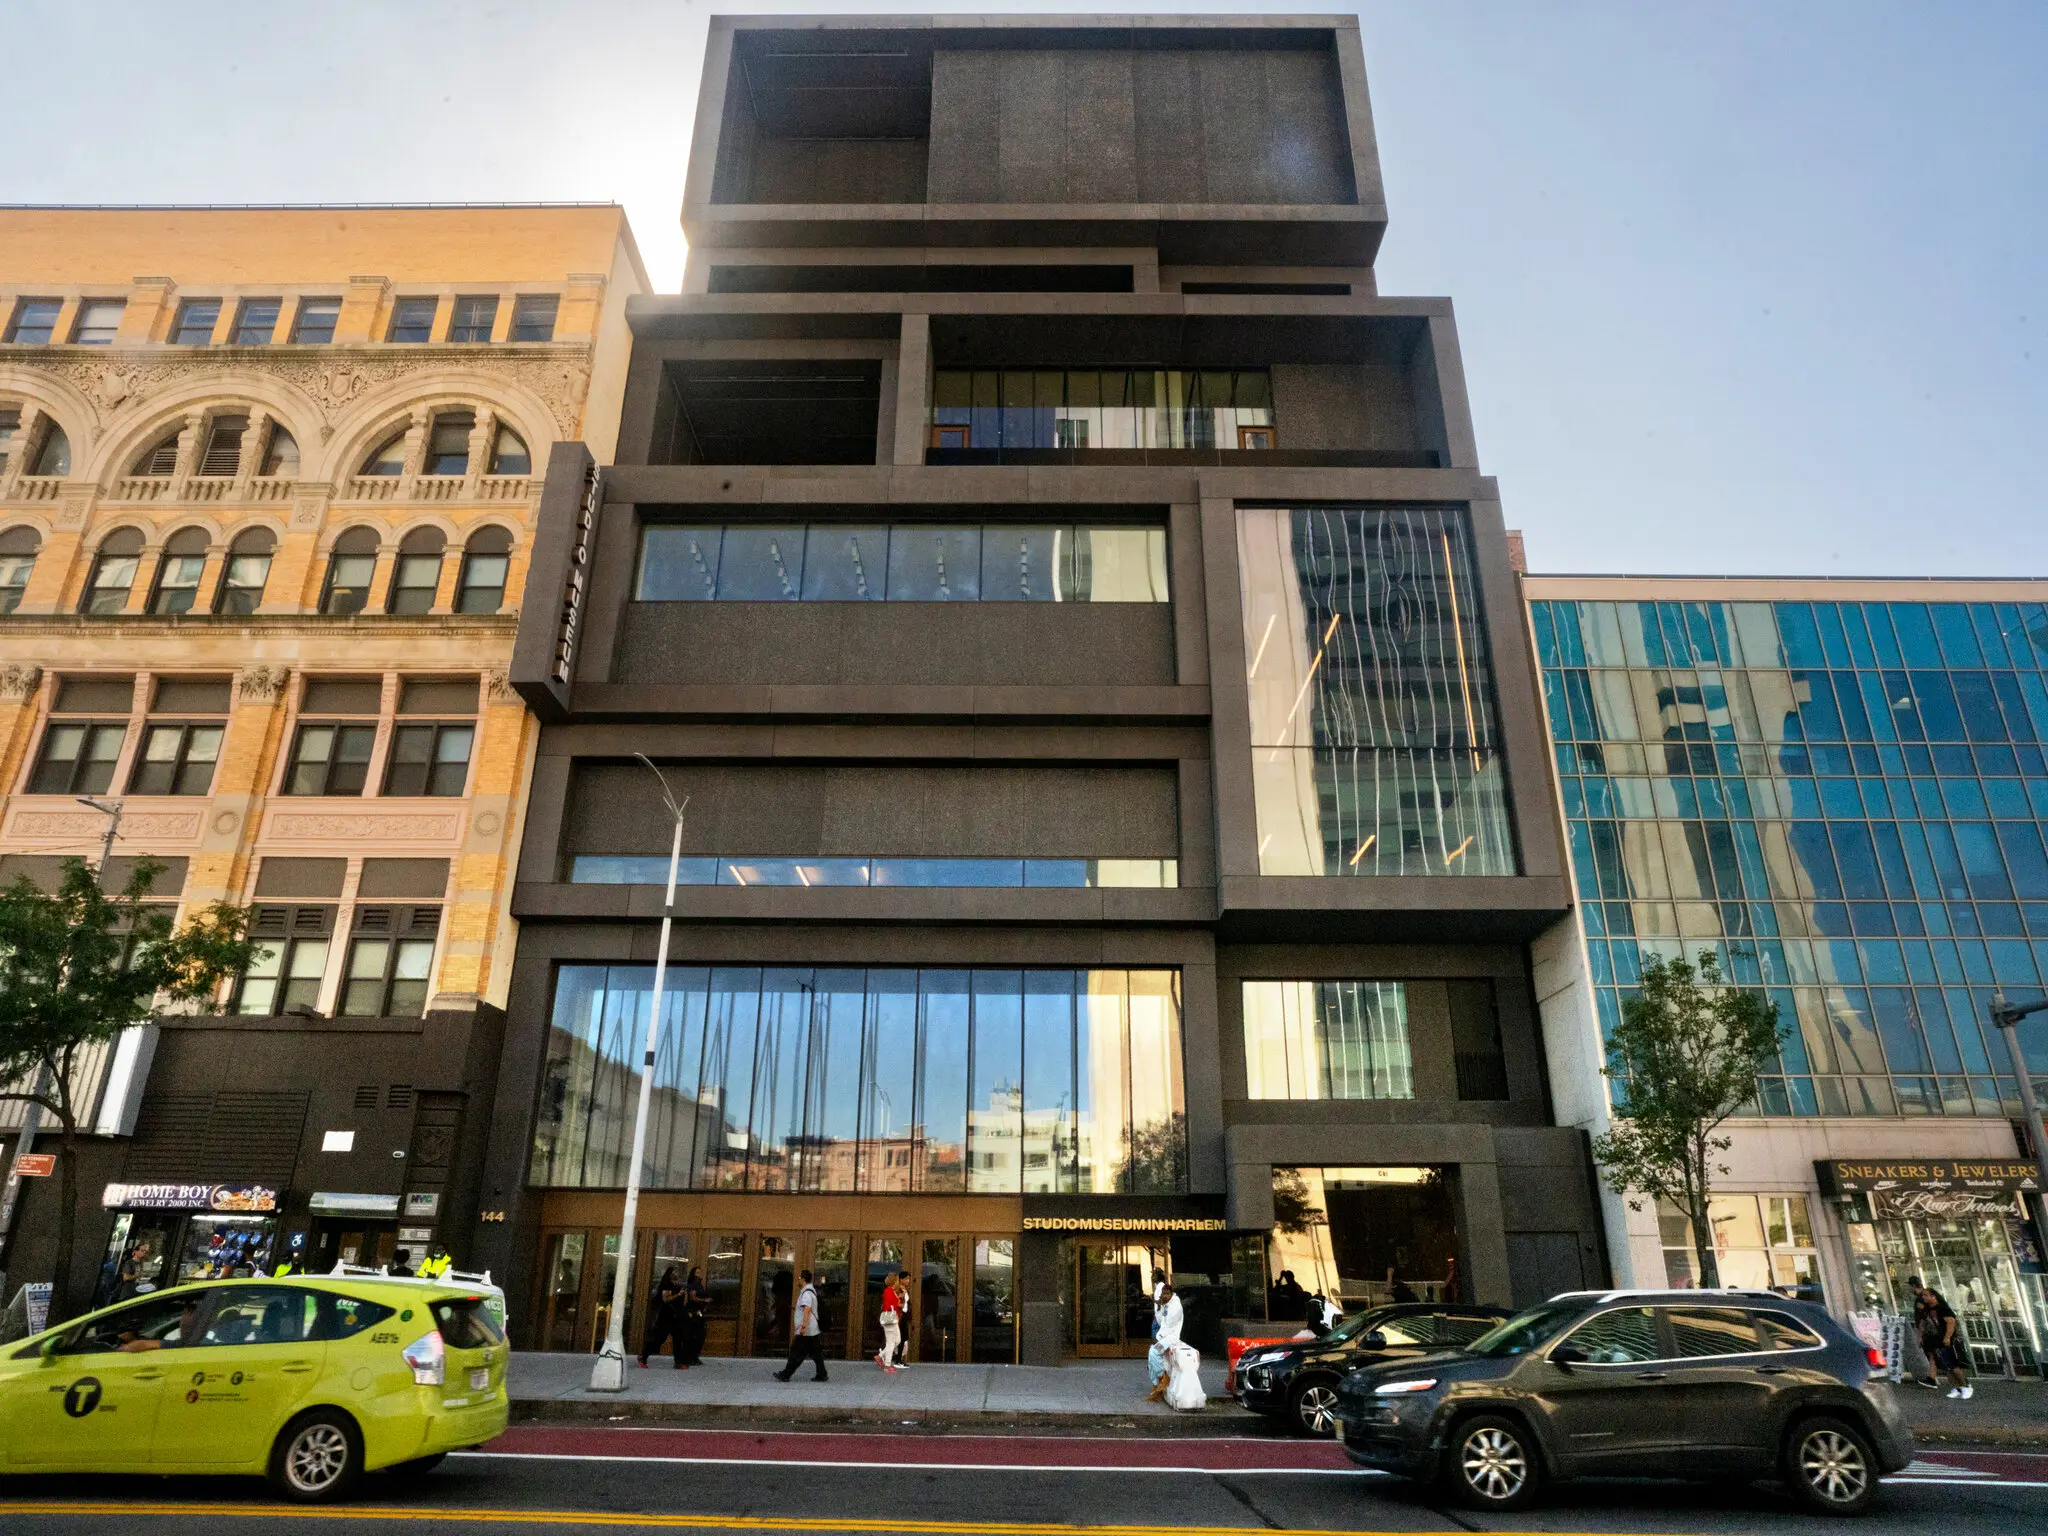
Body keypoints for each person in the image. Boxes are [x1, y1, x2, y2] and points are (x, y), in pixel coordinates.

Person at [1910, 1276, 1972, 1399]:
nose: (1923, 1298)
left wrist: (1948, 1337)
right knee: (1946, 1366)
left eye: (1926, 1296)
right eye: (1923, 1296)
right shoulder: (1927, 1309)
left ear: (1934, 1296)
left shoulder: (1942, 1309)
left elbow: (1951, 1322)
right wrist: (1920, 1336)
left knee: (1953, 1366)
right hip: (1935, 1338)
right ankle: (1956, 1388)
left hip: (1945, 1339)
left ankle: (1965, 1385)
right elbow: (1922, 1322)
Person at [773, 1268, 829, 1383]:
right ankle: (822, 1374)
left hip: (807, 1330)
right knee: (815, 1353)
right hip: (811, 1330)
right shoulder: (809, 1291)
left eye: (799, 1278)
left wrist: (803, 1326)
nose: (798, 1280)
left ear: (803, 1279)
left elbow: (807, 1309)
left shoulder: (807, 1293)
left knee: (796, 1352)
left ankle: (785, 1374)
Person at [639, 1266, 683, 1369]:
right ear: (670, 1274)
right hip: (665, 1316)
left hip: (675, 1316)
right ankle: (643, 1356)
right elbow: (666, 1299)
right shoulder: (666, 1284)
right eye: (675, 1272)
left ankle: (678, 1362)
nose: (677, 1274)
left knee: (678, 1338)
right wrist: (678, 1295)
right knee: (659, 1339)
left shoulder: (676, 1284)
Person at [677, 1267, 708, 1367]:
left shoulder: (700, 1285)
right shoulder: (692, 1285)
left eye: (700, 1272)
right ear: (694, 1274)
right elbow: (693, 1298)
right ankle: (688, 1358)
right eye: (697, 1272)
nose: (700, 1274)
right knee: (691, 1335)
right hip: (691, 1312)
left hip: (698, 1312)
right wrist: (704, 1301)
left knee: (700, 1334)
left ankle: (694, 1356)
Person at [876, 1270, 905, 1371]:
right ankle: (887, 1365)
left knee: (897, 1340)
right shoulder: (889, 1291)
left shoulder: (890, 1291)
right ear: (894, 1281)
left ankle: (880, 1356)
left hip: (893, 1319)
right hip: (890, 1319)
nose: (898, 1282)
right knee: (891, 1341)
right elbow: (891, 1305)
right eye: (897, 1280)